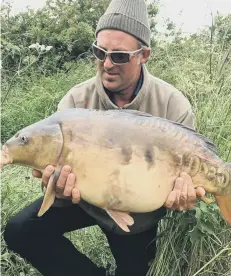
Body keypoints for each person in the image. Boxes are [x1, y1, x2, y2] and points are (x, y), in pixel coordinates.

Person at [4, 1, 206, 275]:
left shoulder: (172, 105)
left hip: (138, 214)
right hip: (86, 200)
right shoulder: (76, 101)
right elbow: (54, 179)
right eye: (99, 52)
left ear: (144, 54)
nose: (107, 64)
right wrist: (58, 188)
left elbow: (186, 189)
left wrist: (184, 197)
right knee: (20, 230)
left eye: (119, 56)